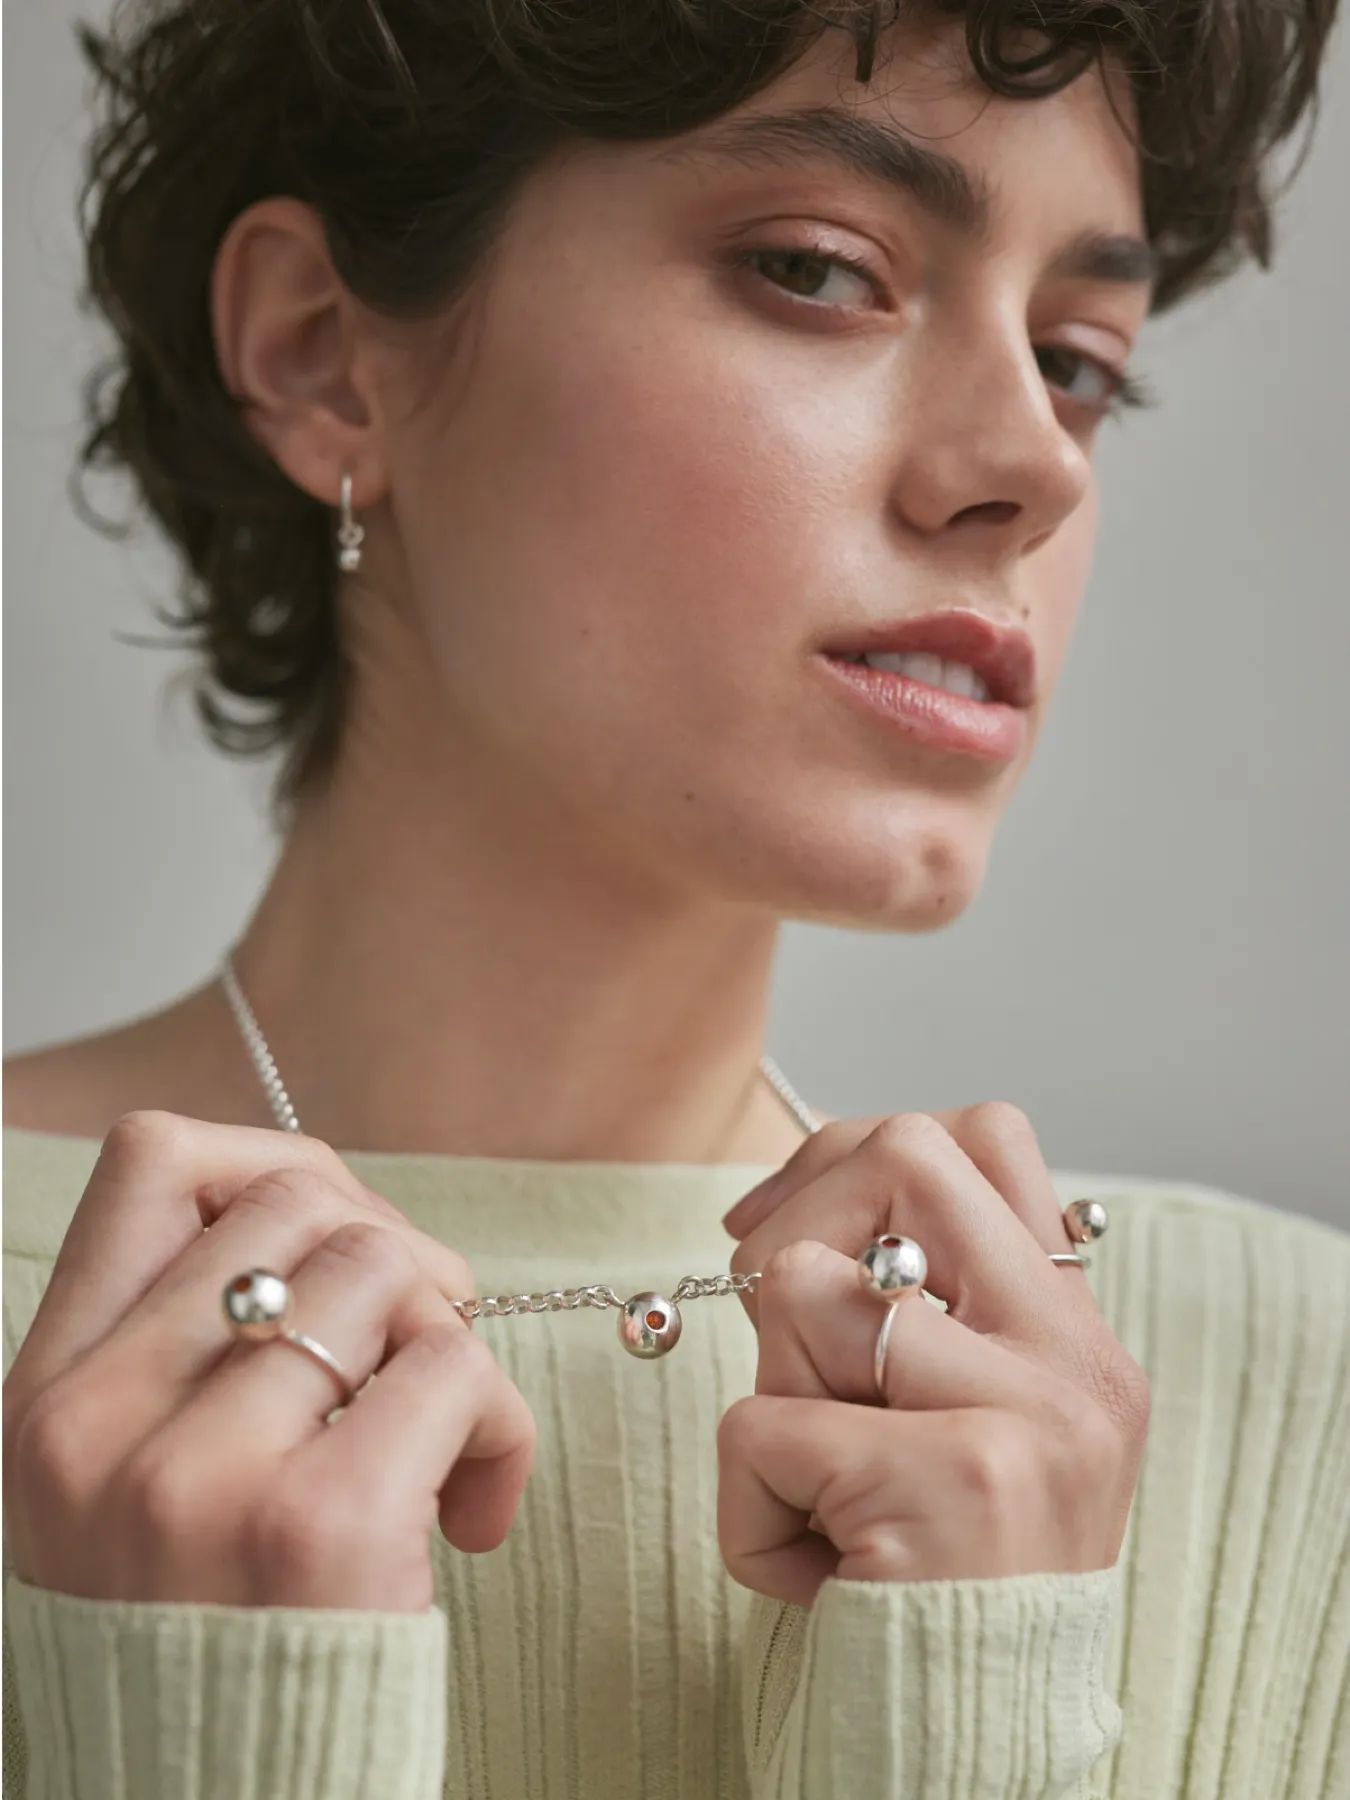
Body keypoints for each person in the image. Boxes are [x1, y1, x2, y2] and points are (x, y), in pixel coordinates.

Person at [3, 0, 1346, 1795]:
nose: (1032, 463)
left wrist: (976, 1703)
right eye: (817, 271)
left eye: (1077, 358)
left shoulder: (1297, 1399)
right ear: (327, 356)